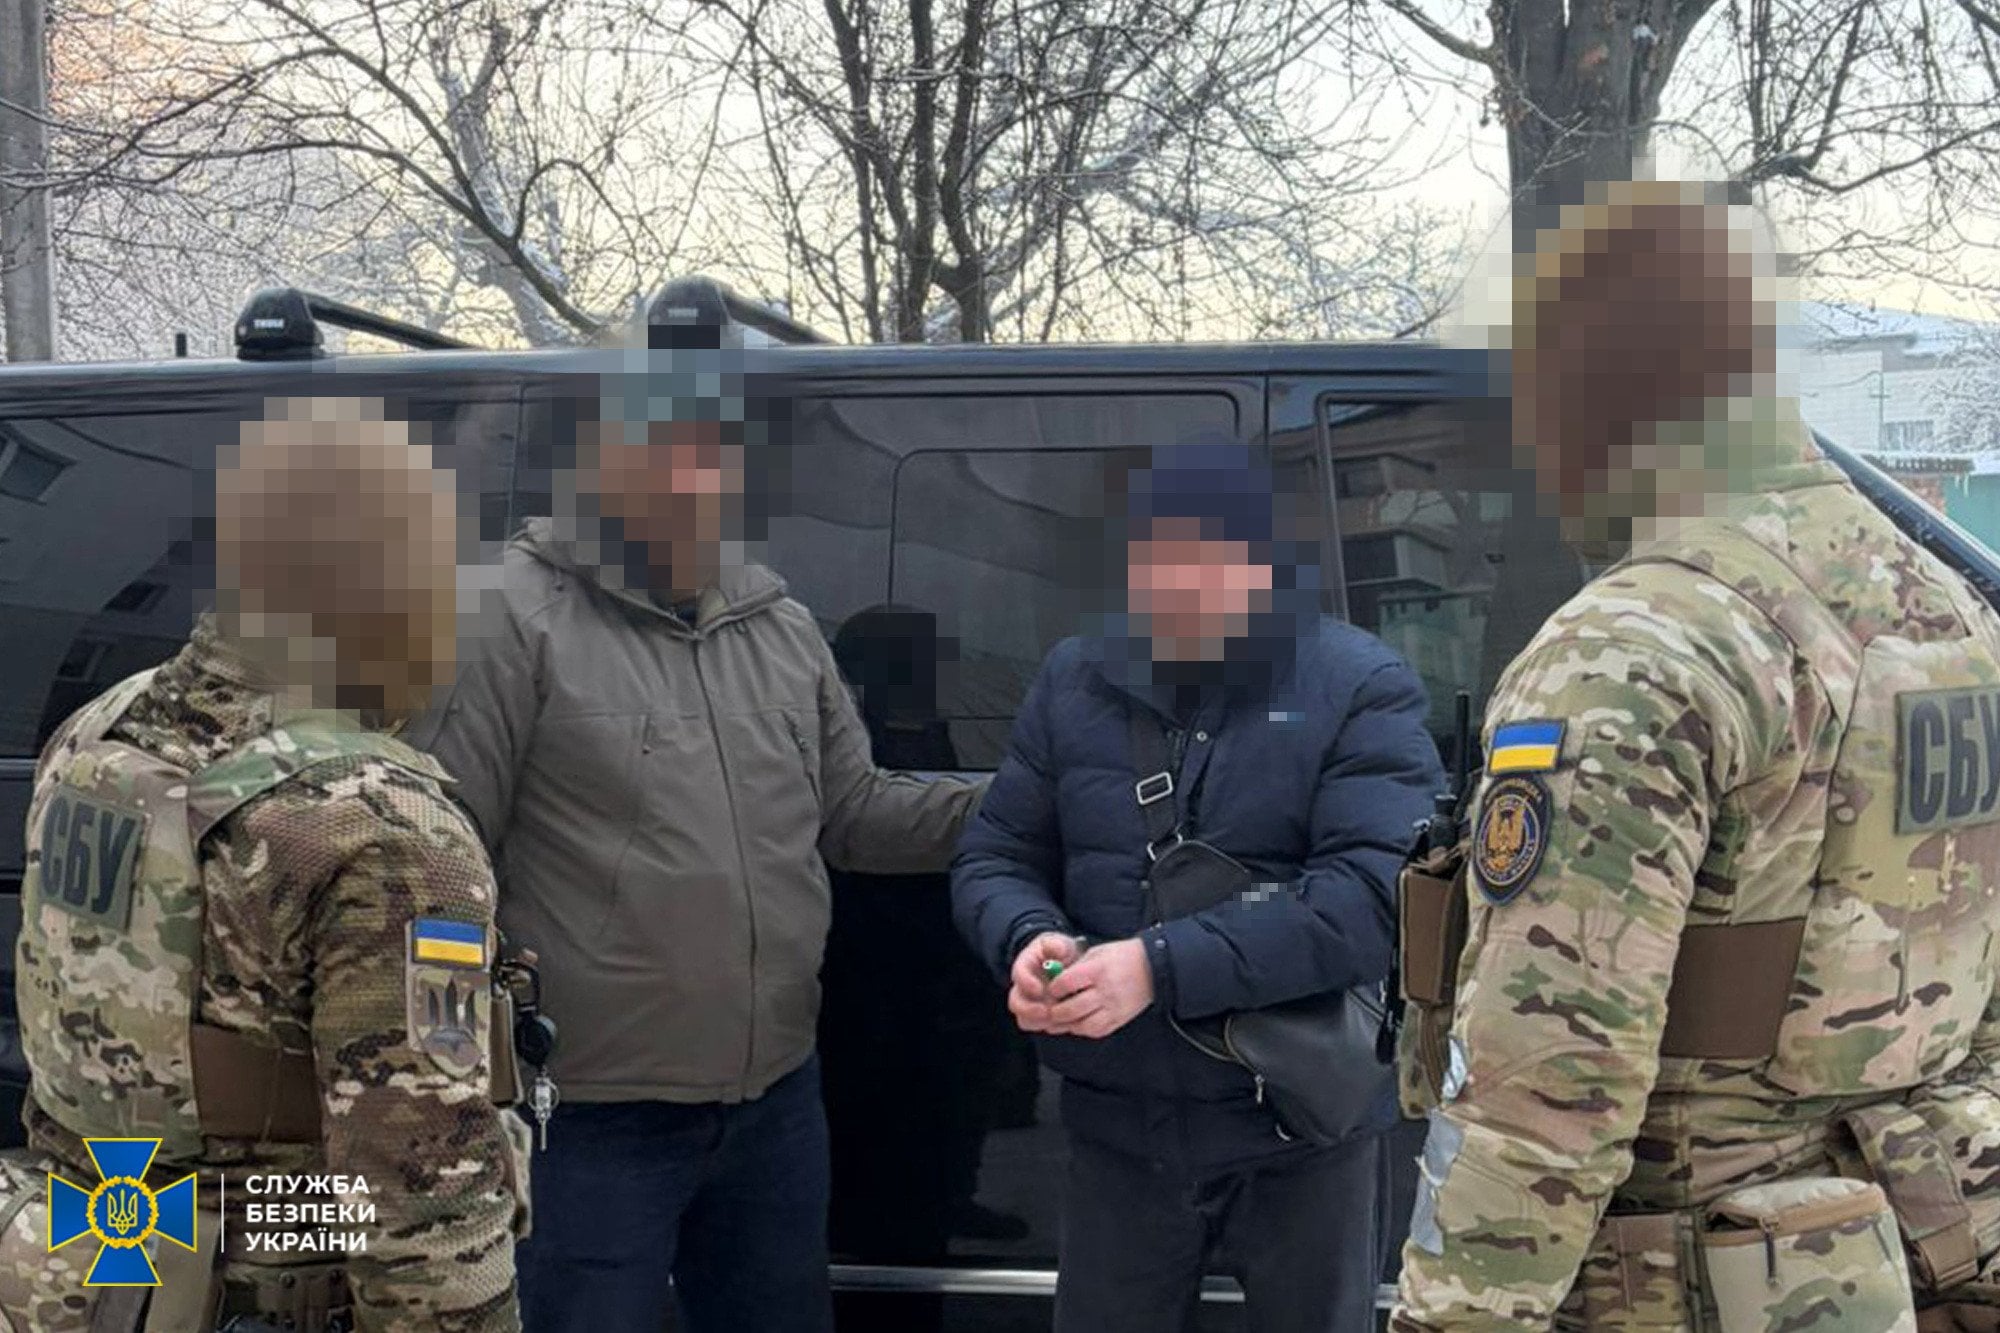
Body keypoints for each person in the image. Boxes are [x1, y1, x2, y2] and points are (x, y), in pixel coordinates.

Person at [1391, 181, 2000, 1330]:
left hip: (1687, 1281)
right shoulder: (1950, 619)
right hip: (1907, 1259)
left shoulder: (1633, 647)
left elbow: (1547, 1080)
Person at [408, 361, 988, 1333]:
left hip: (773, 1103)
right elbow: (435, 868)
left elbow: (856, 812)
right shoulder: (504, 616)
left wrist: (1032, 801)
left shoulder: (778, 625)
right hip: (590, 1118)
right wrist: (447, 1091)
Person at [0, 397, 525, 1331]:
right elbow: (421, 1205)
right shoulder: (381, 829)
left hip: (79, 1262)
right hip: (255, 1288)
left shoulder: (101, 728)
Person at [952, 442, 1444, 1333]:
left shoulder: (1358, 683)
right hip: (1120, 1128)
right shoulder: (1076, 678)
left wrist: (1158, 964)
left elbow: (1371, 896)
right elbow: (997, 854)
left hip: (1299, 1124)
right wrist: (1027, 935)